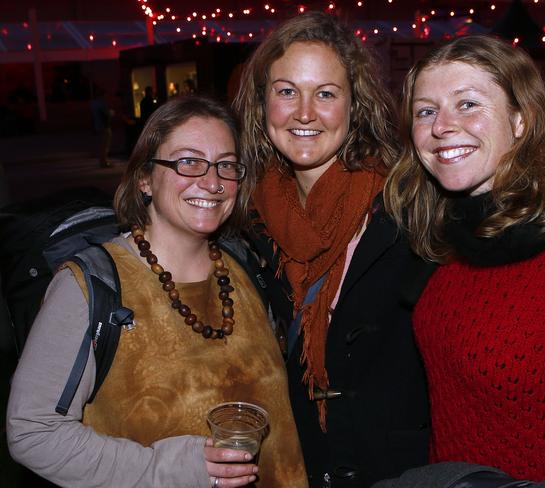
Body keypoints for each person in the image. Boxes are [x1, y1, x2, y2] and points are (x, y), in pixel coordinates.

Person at [383, 35, 545, 486]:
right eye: (425, 111)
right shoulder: (442, 248)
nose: (441, 126)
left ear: (521, 120)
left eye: (468, 104)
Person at [6, 96, 307, 487]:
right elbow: (33, 432)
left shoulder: (247, 268)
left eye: (226, 165)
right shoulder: (92, 286)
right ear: (144, 178)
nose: (213, 182)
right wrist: (168, 469)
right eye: (188, 161)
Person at [233, 11, 430, 487]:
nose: (304, 112)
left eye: (325, 93)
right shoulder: (246, 215)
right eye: (286, 91)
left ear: (354, 106)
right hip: (300, 461)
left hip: (395, 469)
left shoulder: (408, 204)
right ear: (262, 106)